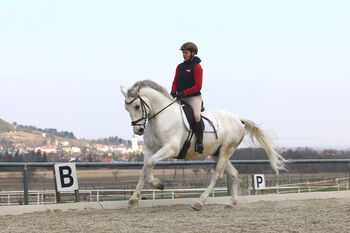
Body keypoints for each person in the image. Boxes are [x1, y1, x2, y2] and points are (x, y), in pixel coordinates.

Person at [170, 42, 204, 154]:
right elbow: (175, 81)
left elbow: (198, 86)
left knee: (196, 115)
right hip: (181, 97)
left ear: (192, 53)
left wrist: (184, 93)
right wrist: (173, 91)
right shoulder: (180, 67)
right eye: (183, 53)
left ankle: (199, 142)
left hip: (193, 97)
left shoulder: (197, 67)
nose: (184, 55)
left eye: (186, 53)